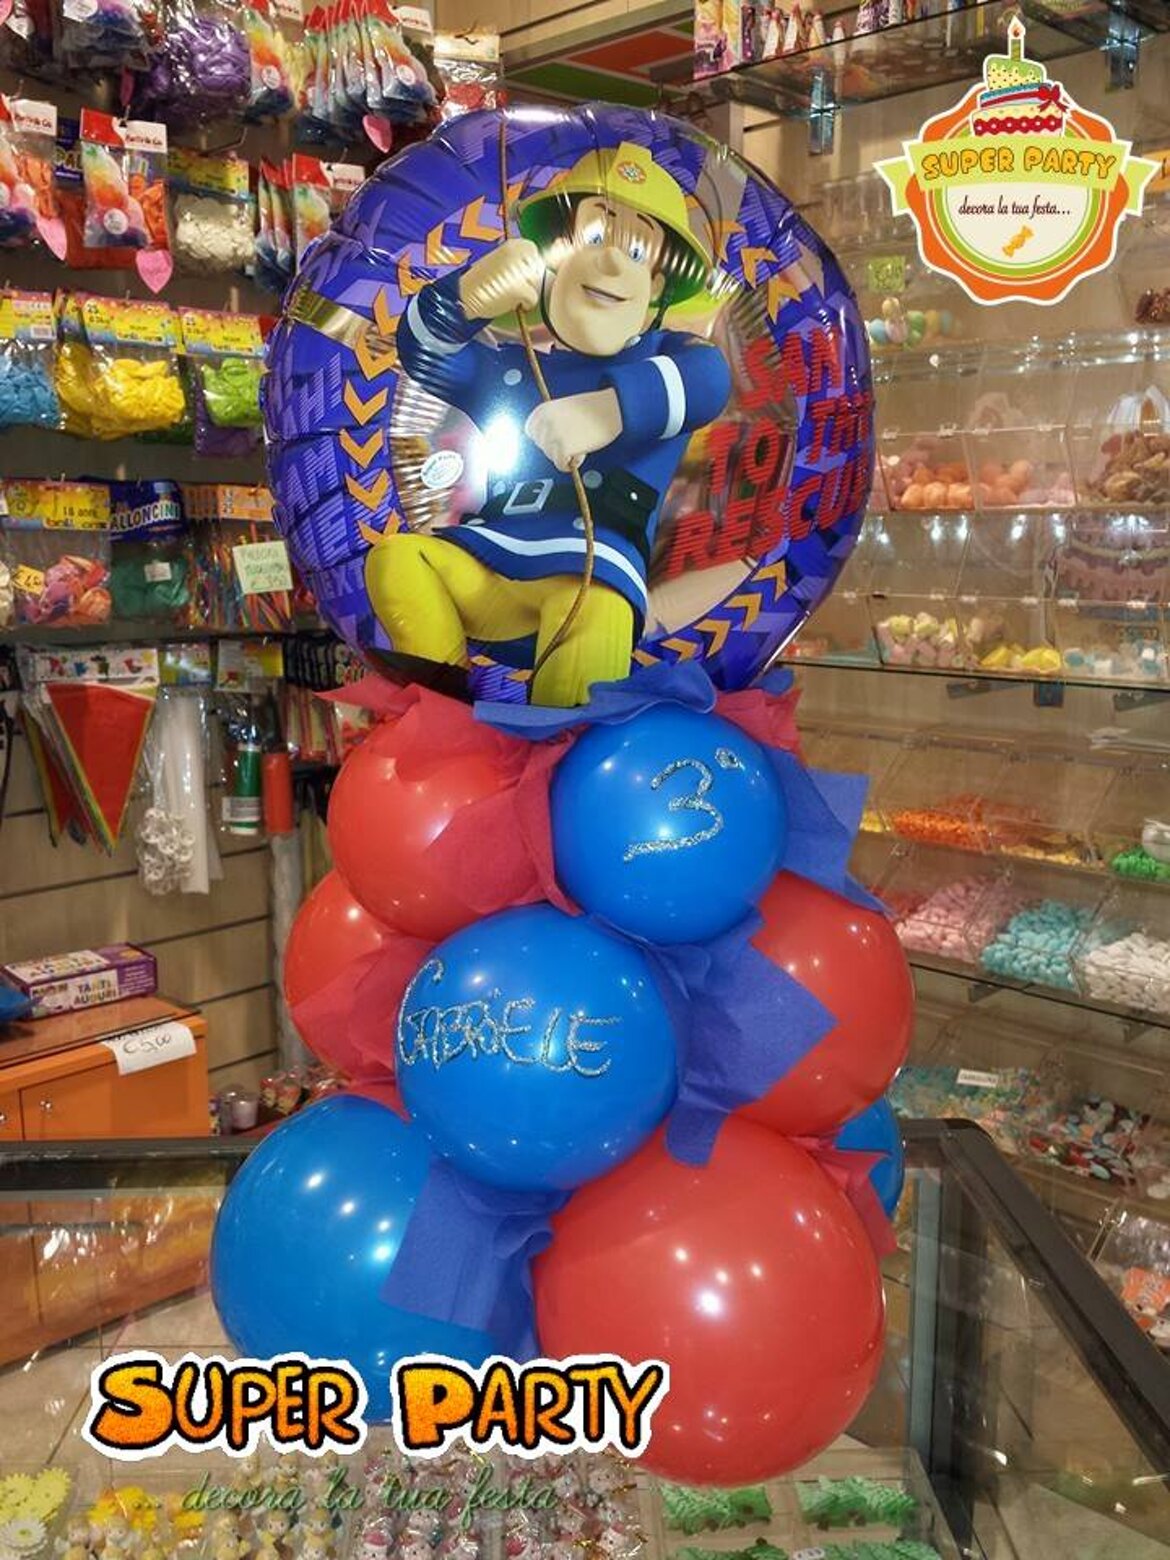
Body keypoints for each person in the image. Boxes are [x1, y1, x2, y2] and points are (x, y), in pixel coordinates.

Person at [366, 140, 732, 707]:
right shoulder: (515, 368)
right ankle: (443, 716)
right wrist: (466, 298)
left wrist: (609, 411)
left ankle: (561, 743)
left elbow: (708, 379)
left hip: (594, 573)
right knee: (399, 559)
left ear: (658, 285)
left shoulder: (668, 358)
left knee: (592, 619)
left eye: (636, 250)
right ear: (555, 253)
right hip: (489, 560)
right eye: (594, 237)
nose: (611, 262)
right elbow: (426, 354)